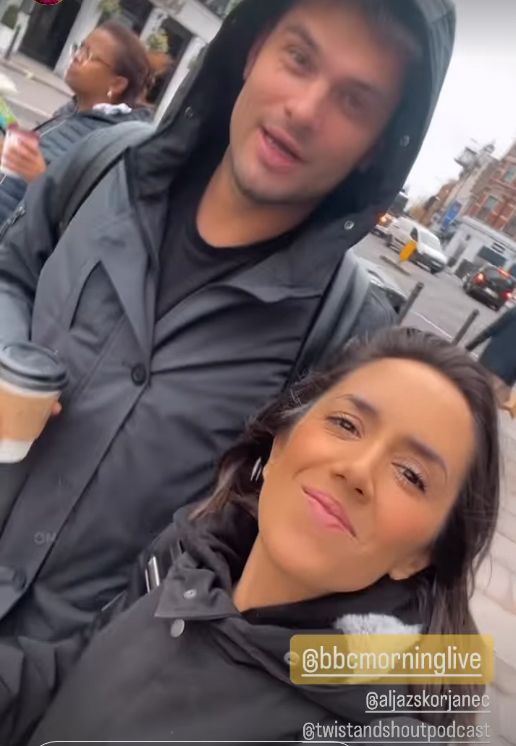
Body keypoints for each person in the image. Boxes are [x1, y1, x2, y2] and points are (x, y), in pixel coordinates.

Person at [0, 0, 456, 696]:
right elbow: (13, 270)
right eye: (299, 58)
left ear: (378, 145)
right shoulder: (104, 166)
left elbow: (272, 577)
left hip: (61, 686)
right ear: (252, 50)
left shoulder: (342, 338)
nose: (304, 108)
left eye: (354, 100)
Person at [8, 328, 499, 743]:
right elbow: (65, 677)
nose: (357, 470)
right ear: (283, 437)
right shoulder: (186, 559)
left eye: (411, 475)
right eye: (346, 423)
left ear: (422, 555)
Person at [0, 21, 153, 225]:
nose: (76, 57)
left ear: (117, 84)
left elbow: (92, 227)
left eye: (88, 55)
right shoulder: (73, 110)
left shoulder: (118, 144)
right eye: (80, 47)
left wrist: (41, 179)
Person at [466, 305, 516, 408]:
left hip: (485, 363)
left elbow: (491, 330)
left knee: (468, 397)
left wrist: (469, 347)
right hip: (504, 377)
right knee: (485, 409)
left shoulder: (514, 312)